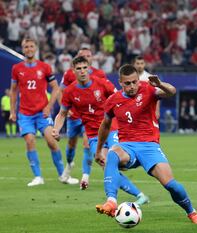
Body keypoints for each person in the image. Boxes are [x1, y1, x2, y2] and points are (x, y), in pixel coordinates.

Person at [94, 64, 197, 224]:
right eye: (127, 83)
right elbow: (105, 125)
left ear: (138, 80)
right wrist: (99, 150)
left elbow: (172, 91)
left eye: (134, 82)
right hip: (127, 146)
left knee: (172, 186)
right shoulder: (113, 100)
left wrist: (159, 84)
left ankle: (192, 212)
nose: (132, 86)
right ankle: (111, 201)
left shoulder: (148, 89)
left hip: (150, 146)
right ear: (120, 82)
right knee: (112, 152)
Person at [52, 57, 149, 204]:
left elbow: (120, 98)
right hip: (92, 135)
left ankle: (137, 160)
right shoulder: (70, 91)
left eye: (85, 67)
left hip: (111, 128)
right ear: (73, 70)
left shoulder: (102, 83)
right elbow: (62, 113)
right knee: (107, 166)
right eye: (79, 68)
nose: (82, 71)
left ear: (90, 68)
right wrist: (56, 129)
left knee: (115, 159)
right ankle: (140, 196)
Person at [9, 38, 77, 186]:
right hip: (25, 114)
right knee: (30, 140)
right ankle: (38, 177)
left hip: (42, 113)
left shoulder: (45, 67)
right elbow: (14, 91)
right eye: (25, 46)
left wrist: (49, 106)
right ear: (23, 49)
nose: (28, 49)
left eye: (31, 46)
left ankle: (63, 175)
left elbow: (55, 88)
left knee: (52, 142)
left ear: (36, 48)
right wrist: (12, 111)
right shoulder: (17, 68)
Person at [59, 47, 106, 189]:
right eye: (83, 55)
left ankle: (85, 177)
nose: (86, 57)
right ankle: (69, 163)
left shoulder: (100, 74)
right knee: (71, 144)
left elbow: (104, 93)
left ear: (91, 59)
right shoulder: (69, 74)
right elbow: (62, 91)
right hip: (73, 115)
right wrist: (66, 110)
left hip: (91, 116)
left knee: (87, 144)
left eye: (88, 55)